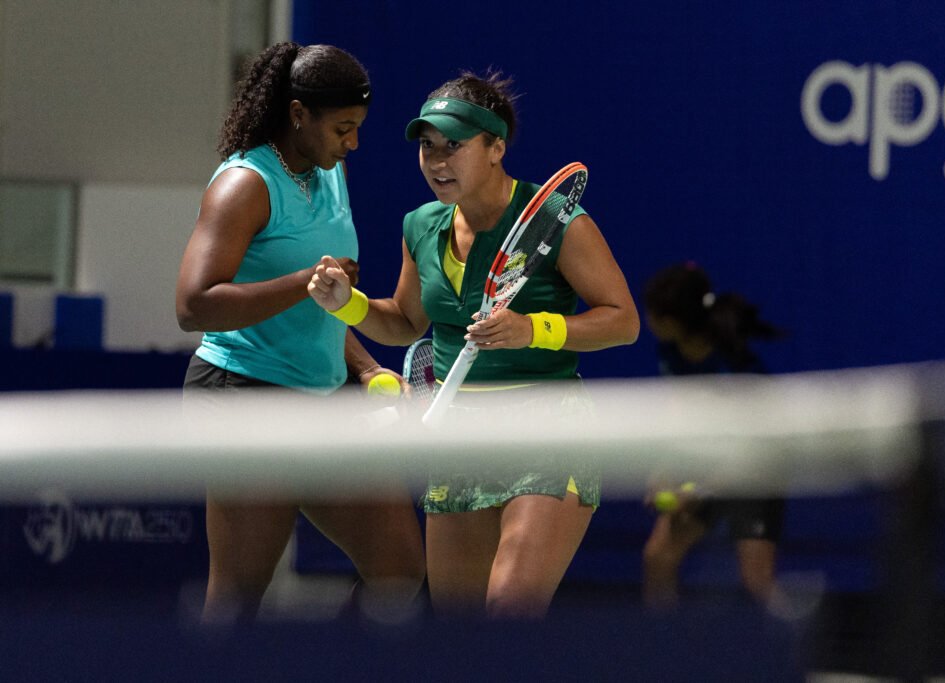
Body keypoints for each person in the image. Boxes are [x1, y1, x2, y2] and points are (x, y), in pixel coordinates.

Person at [307, 70, 640, 619]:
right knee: (460, 640)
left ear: (495, 148)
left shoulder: (556, 220)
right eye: (427, 147)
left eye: (454, 146)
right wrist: (347, 303)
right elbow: (406, 323)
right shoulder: (420, 226)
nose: (437, 161)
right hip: (460, 439)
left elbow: (622, 320)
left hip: (547, 429)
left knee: (509, 612)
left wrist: (536, 328)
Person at [175, 42, 424, 623]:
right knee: (236, 602)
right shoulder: (245, 184)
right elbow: (193, 305)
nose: (352, 143)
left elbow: (322, 305)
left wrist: (365, 368)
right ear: (296, 115)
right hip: (244, 395)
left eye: (358, 128)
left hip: (325, 398)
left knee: (400, 570)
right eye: (342, 128)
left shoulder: (330, 171)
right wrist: (303, 281)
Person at [641, 262, 787, 611]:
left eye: (652, 313)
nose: (646, 320)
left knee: (756, 581)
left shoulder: (736, 368)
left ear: (672, 321)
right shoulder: (670, 353)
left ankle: (790, 654)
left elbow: (753, 453)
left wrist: (698, 491)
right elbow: (679, 420)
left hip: (755, 475)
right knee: (658, 556)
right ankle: (662, 649)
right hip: (706, 467)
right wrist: (663, 473)